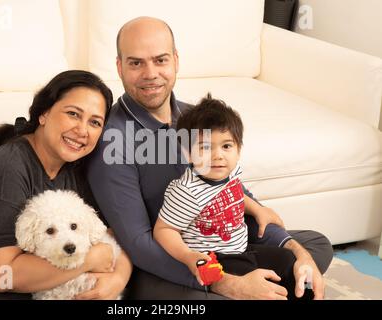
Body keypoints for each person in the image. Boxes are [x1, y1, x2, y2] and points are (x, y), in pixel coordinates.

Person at [85, 17, 333, 299]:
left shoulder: (195, 119)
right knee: (184, 298)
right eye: (136, 63)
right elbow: (140, 244)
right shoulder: (112, 142)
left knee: (314, 246)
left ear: (176, 61)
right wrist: (229, 283)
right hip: (171, 265)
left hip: (226, 245)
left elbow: (233, 197)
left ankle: (272, 283)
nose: (150, 73)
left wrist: (295, 251)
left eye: (160, 60)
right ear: (119, 67)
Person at [0, 70, 132, 299]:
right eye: (73, 114)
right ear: (44, 113)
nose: (82, 130)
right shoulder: (6, 169)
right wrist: (90, 259)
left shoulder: (76, 168)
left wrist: (118, 279)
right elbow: (2, 276)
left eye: (95, 122)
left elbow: (113, 234)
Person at [154, 94, 308, 300]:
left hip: (243, 250)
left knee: (289, 260)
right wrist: (188, 256)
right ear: (188, 153)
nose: (218, 155)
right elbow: (164, 230)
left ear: (238, 149)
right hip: (218, 261)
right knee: (260, 288)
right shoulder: (186, 191)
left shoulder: (230, 173)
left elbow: (235, 195)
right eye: (206, 147)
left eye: (226, 146)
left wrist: (258, 209)